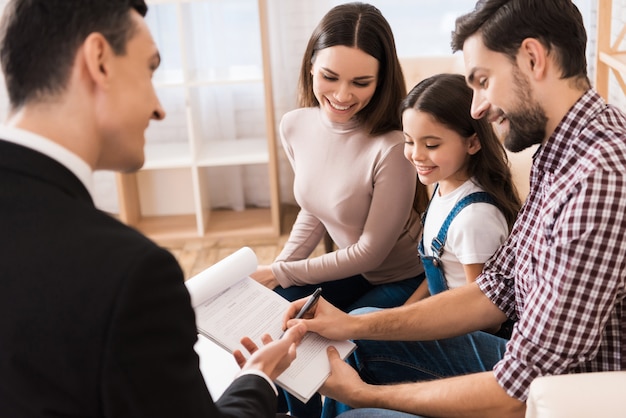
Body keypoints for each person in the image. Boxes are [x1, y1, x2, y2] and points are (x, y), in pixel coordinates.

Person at [283, 0, 626, 417]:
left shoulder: (599, 178)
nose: (477, 107)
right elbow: (495, 289)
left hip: (567, 397)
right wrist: (352, 325)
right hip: (530, 368)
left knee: (360, 411)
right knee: (359, 326)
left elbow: (525, 389)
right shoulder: (562, 152)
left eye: (483, 81)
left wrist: (366, 397)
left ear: (533, 59)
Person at [0, 1, 307, 417]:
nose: (159, 108)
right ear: (99, 61)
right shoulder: (129, 275)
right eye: (150, 69)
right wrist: (258, 379)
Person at [251, 3, 426, 416]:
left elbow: (371, 253)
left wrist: (278, 272)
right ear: (311, 65)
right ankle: (288, 409)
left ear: (381, 81)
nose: (343, 95)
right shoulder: (295, 125)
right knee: (281, 314)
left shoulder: (392, 146)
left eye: (361, 82)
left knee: (317, 337)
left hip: (401, 276)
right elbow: (315, 208)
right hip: (349, 270)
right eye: (330, 77)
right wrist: (279, 269)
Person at [400, 73, 520, 304]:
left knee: (361, 319)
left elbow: (482, 313)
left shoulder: (474, 219)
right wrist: (402, 312)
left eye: (431, 145)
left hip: (469, 332)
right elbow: (442, 271)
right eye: (409, 141)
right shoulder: (444, 183)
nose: (416, 155)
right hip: (440, 308)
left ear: (473, 143)